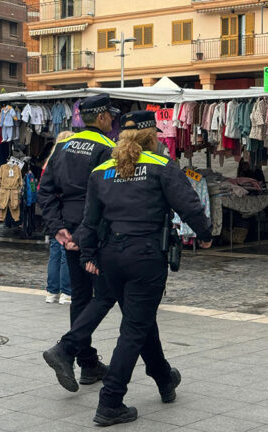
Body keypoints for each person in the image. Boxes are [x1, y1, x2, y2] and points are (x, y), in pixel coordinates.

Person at [44, 111, 212, 426]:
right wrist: (204, 235)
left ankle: (164, 377)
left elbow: (90, 221)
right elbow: (189, 205)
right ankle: (110, 401)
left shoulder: (103, 170)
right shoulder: (161, 166)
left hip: (111, 257)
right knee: (133, 329)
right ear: (152, 137)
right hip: (145, 257)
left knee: (141, 318)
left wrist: (87, 255)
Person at [38, 94, 120, 384]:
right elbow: (104, 196)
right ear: (101, 118)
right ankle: (69, 351)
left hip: (69, 230)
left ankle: (86, 362)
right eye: (110, 115)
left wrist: (57, 227)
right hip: (94, 231)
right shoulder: (108, 148)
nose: (113, 120)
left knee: (80, 296)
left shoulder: (62, 146)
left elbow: (45, 190)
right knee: (105, 294)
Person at [43, 131, 75, 305]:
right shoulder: (66, 163)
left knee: (55, 251)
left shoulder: (50, 162)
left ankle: (52, 291)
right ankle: (66, 291)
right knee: (64, 251)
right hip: (65, 209)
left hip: (52, 211)